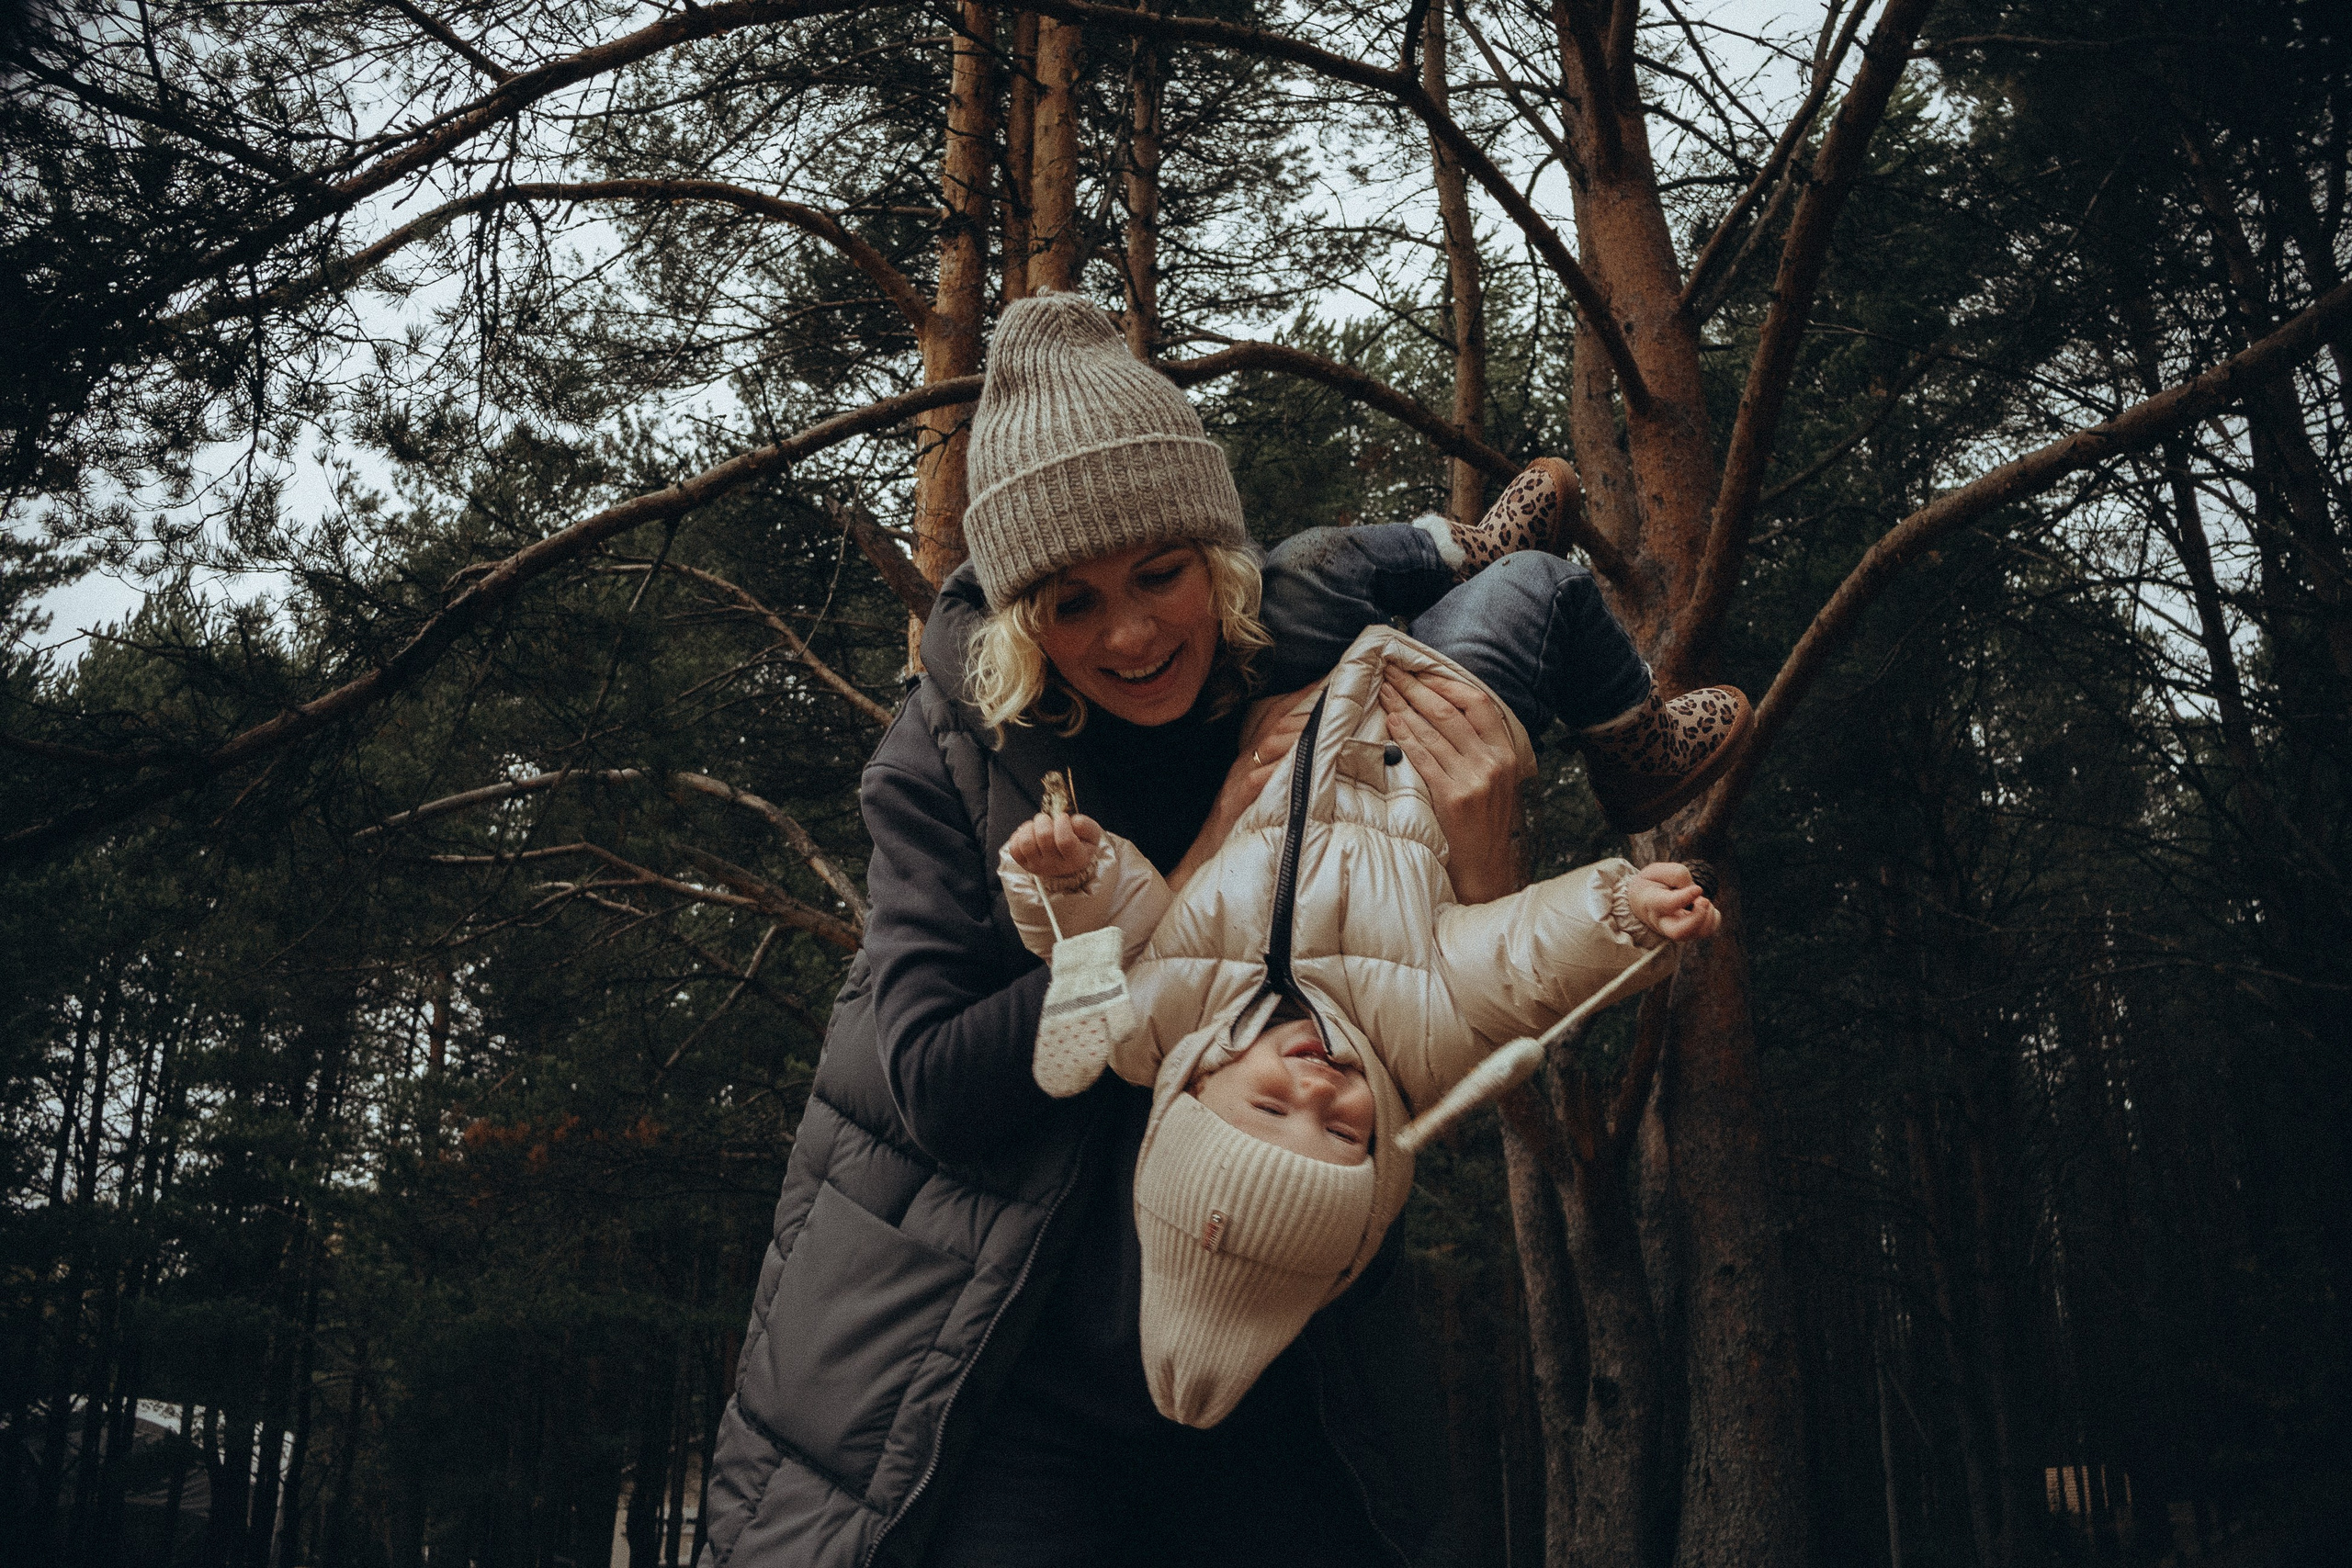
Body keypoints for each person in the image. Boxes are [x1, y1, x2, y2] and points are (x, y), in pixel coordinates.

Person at [697, 292, 1535, 1568]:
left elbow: (1427, 1051)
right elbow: (935, 1085)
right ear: (1022, 621)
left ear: (1220, 558)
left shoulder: (1307, 689)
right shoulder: (943, 763)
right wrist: (1185, 885)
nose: (1134, 634)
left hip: (1288, 1366)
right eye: (1072, 603)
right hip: (1004, 1375)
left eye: (1162, 574)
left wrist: (1483, 850)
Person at [998, 624, 1722, 1429]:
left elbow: (1101, 933)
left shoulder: (1155, 1021)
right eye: (1344, 1133)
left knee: (1315, 574)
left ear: (1192, 1093)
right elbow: (1523, 958)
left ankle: (1448, 546)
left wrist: (1067, 877)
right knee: (1528, 601)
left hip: (1309, 707)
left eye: (1272, 1109)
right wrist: (1624, 915)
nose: (1315, 1091)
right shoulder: (1423, 1030)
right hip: (1425, 729)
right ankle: (1638, 743)